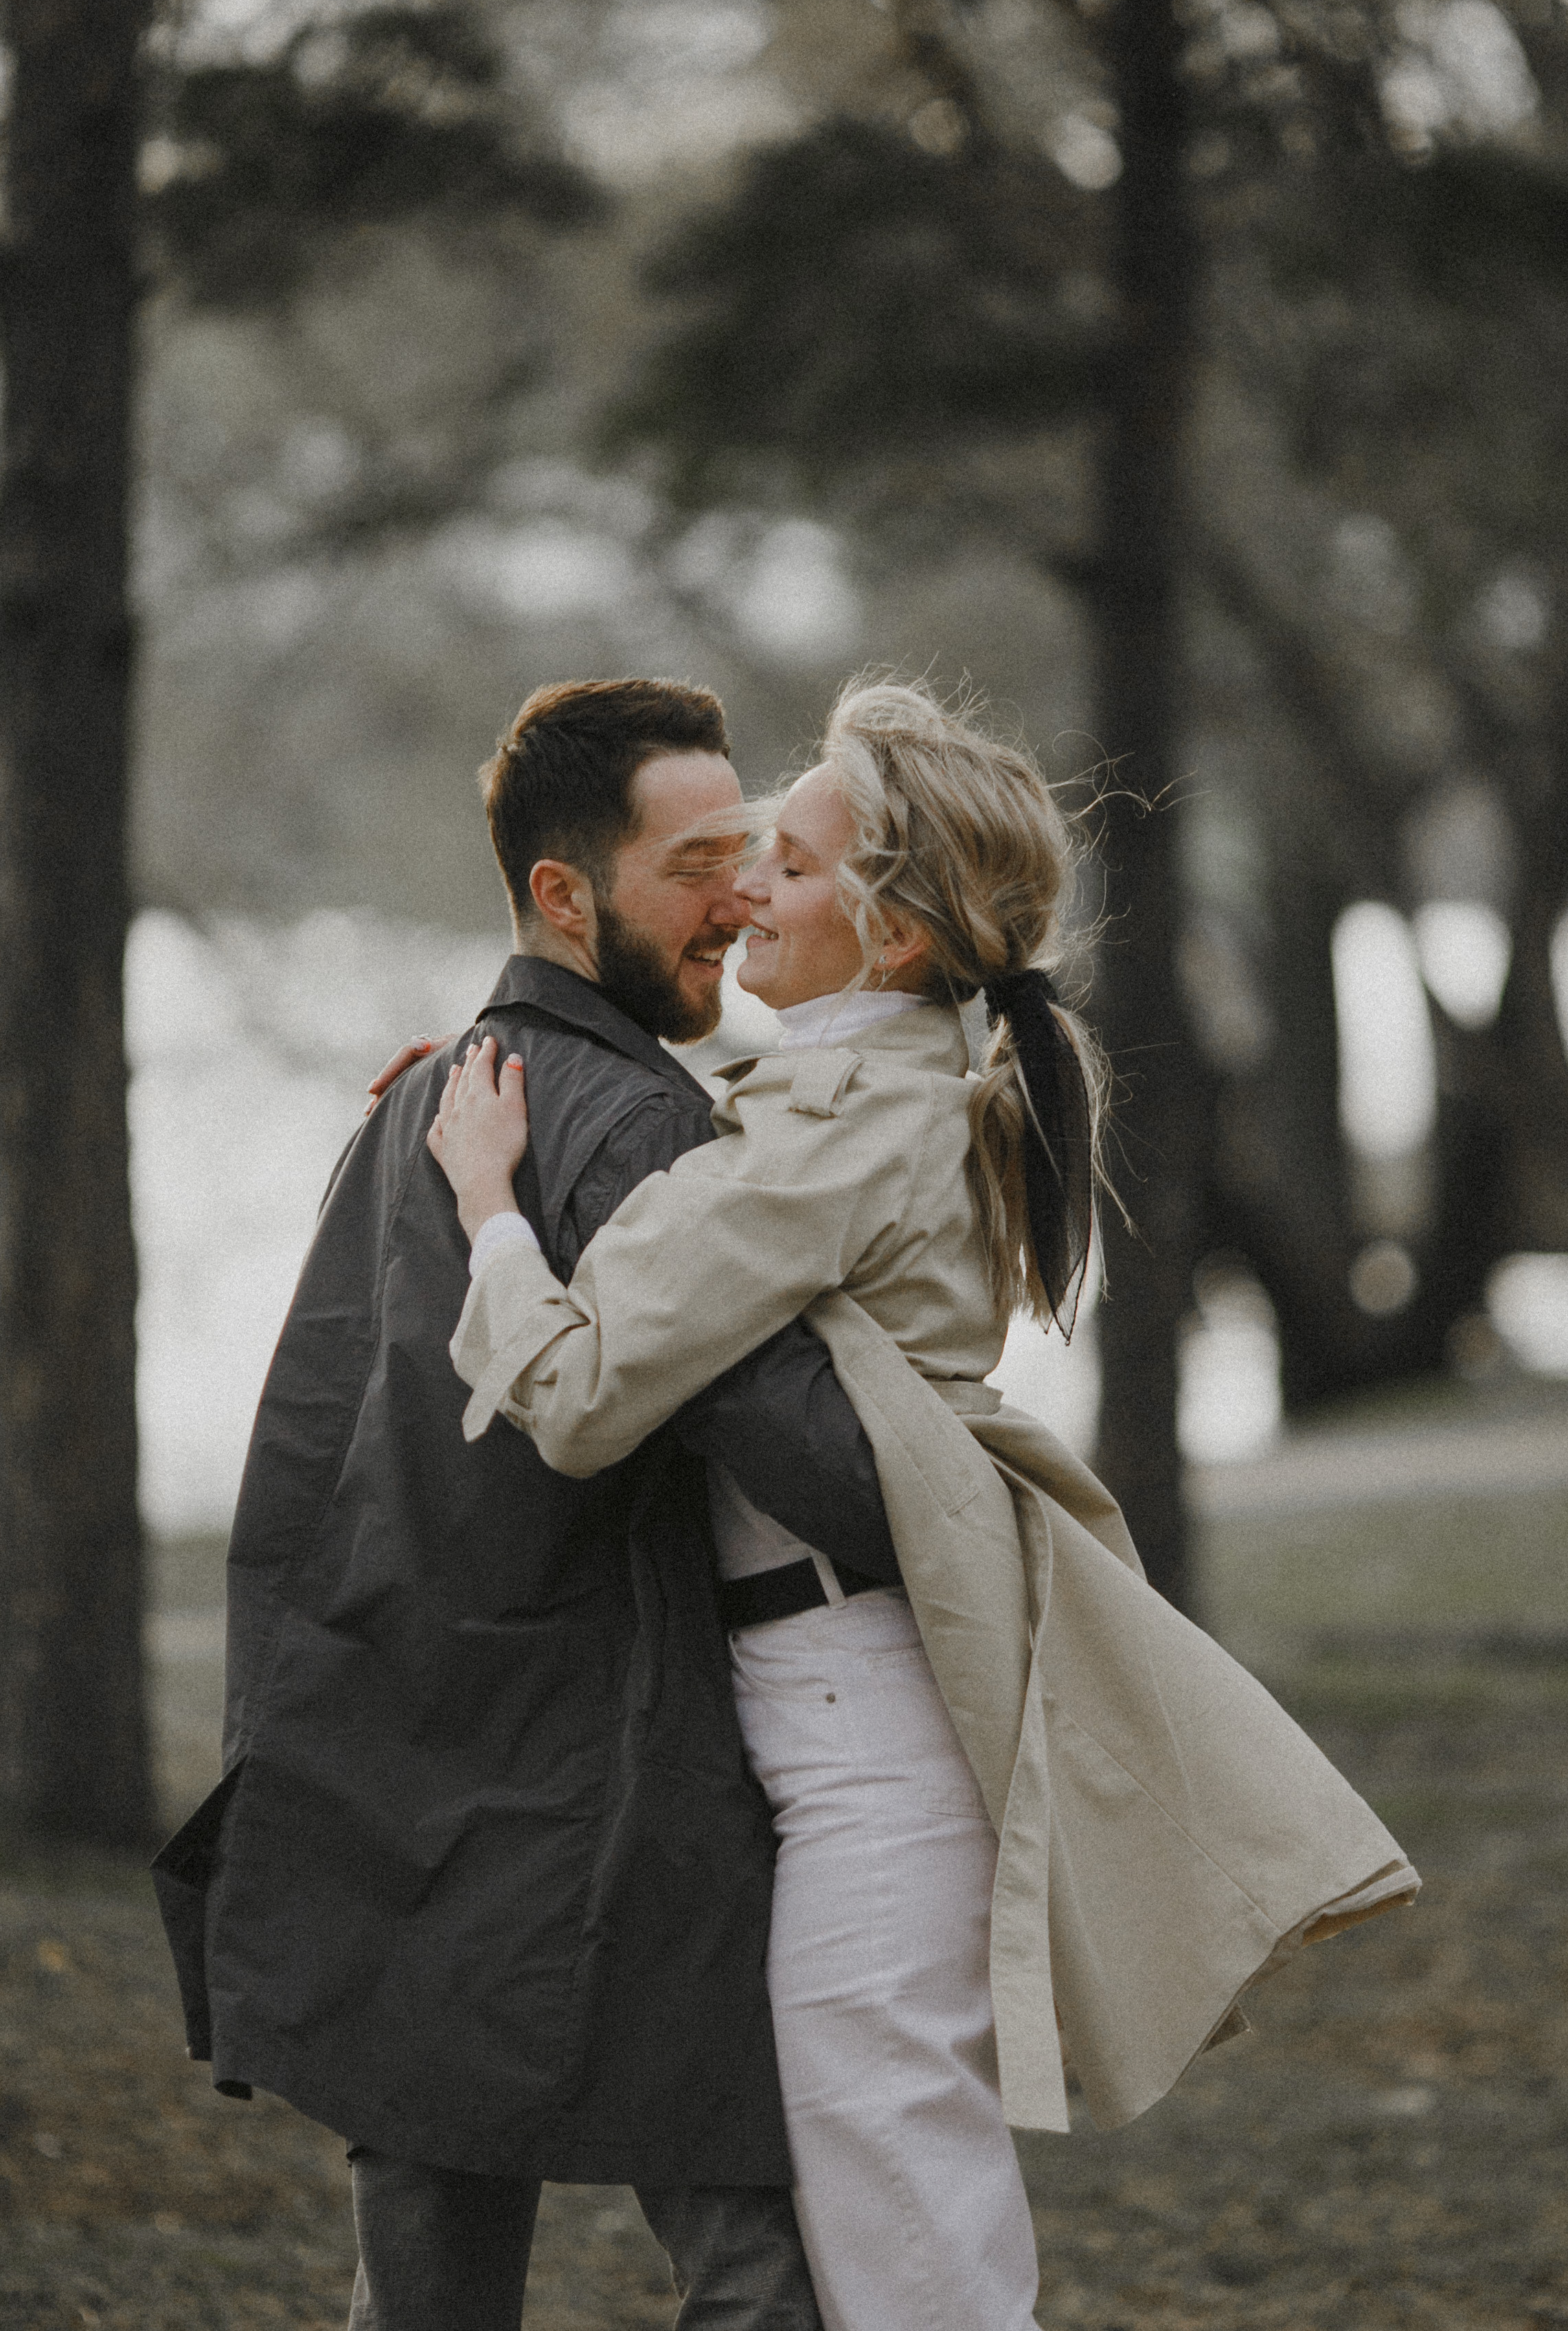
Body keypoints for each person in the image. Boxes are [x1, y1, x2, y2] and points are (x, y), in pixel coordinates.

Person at [433, 679, 1421, 2331]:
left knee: (907, 2229)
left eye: (793, 865)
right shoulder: (880, 1073)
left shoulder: (843, 1118)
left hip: (858, 1725)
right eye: (744, 854)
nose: (747, 886)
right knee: (898, 2196)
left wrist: (485, 1204)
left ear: (891, 935)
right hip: (846, 1697)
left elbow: (589, 1396)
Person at [152, 677, 911, 2331]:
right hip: (608, 1798)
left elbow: (302, 1452)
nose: (742, 895)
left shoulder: (429, 1093)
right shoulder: (636, 1120)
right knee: (758, 2262)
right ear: (564, 894)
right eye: (697, 859)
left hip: (395, 1773)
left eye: (754, 851)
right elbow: (823, 1464)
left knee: (424, 2289)